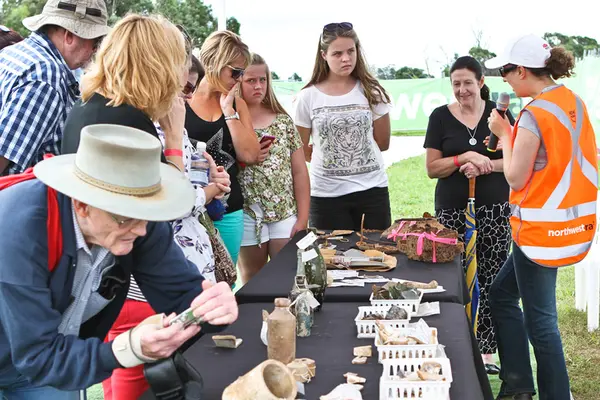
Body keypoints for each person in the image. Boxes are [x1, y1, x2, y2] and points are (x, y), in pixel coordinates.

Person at [0, 124, 238, 399]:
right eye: (124, 217)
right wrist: (129, 348)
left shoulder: (137, 222)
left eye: (146, 214)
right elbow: (38, 356)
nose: (139, 230)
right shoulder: (20, 229)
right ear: (82, 205)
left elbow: (183, 295)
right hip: (39, 353)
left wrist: (212, 310)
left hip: (48, 356)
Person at [486, 35, 597, 400]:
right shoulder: (572, 103)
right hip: (570, 224)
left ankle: (551, 394)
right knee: (501, 294)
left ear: (522, 71)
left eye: (506, 71)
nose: (504, 80)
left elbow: (516, 177)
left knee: (543, 323)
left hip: (539, 231)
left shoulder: (534, 114)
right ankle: (518, 382)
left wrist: (504, 134)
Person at [423, 56, 514, 374]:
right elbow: (433, 168)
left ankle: (486, 354)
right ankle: (454, 346)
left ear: (481, 83)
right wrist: (464, 157)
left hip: (496, 210)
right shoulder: (440, 117)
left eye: (467, 83)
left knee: (492, 279)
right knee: (452, 279)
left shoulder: (499, 115)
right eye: (456, 84)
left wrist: (486, 163)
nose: (462, 90)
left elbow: (515, 160)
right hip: (451, 212)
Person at [294, 22, 392, 231]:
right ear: (324, 55)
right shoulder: (307, 97)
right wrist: (329, 158)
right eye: (337, 53)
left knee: (377, 257)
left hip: (372, 191)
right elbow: (300, 147)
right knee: (333, 260)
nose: (346, 58)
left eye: (351, 51)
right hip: (326, 196)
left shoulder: (372, 91)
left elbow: (382, 142)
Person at [61, 14, 185, 173]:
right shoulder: (131, 122)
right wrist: (174, 139)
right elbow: (170, 194)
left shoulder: (85, 104)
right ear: (161, 69)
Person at [0, 0, 109, 175]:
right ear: (69, 36)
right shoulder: (46, 75)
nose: (95, 51)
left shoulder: (12, 53)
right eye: (95, 42)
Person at [186, 30, 260, 267]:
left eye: (242, 72)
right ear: (215, 64)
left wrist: (229, 112)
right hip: (188, 210)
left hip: (228, 209)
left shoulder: (236, 103)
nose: (239, 79)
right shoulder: (183, 96)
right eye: (235, 72)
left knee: (225, 281)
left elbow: (250, 155)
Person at [238, 53, 310, 284]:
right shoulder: (231, 119)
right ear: (238, 81)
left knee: (287, 277)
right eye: (251, 80)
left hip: (284, 213)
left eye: (263, 79)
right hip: (249, 214)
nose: (258, 86)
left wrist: (303, 218)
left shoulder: (282, 121)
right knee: (252, 278)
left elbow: (299, 171)